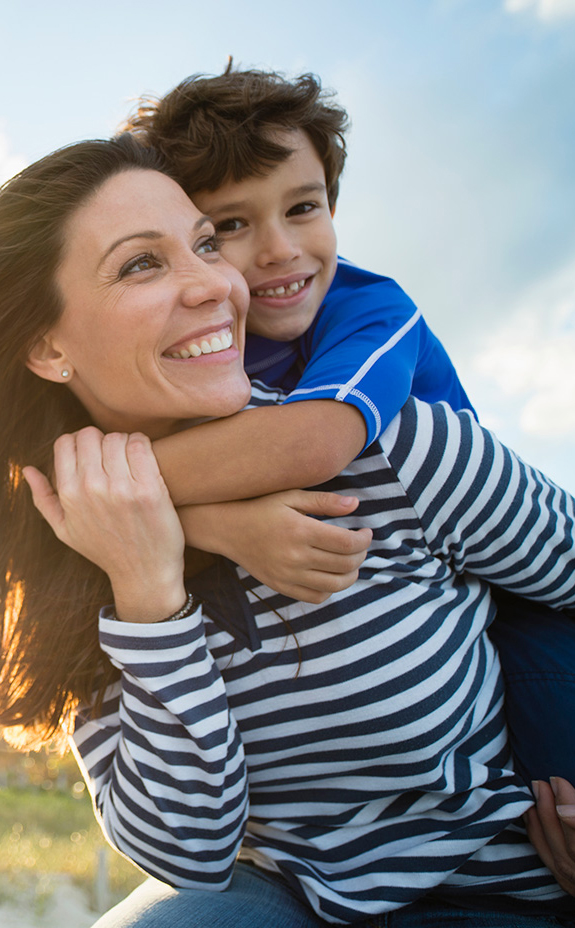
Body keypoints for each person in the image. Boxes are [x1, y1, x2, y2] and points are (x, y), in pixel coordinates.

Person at [0, 135, 575, 923]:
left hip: (499, 890)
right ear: (47, 346)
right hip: (282, 897)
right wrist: (148, 594)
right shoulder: (69, 550)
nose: (217, 284)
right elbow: (188, 853)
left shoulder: (390, 446)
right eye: (142, 263)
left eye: (206, 245)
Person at [121, 62, 575, 789]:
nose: (278, 249)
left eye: (304, 208)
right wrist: (225, 527)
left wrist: (118, 495)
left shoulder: (371, 310)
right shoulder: (204, 344)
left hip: (510, 600)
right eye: (231, 225)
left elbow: (314, 442)